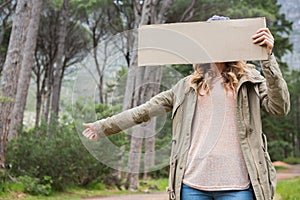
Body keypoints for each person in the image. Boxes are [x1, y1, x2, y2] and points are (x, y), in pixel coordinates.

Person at [82, 15, 290, 200]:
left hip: (238, 186)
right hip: (192, 185)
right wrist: (103, 127)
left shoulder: (250, 80)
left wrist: (268, 59)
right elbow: (144, 111)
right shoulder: (185, 87)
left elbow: (279, 107)